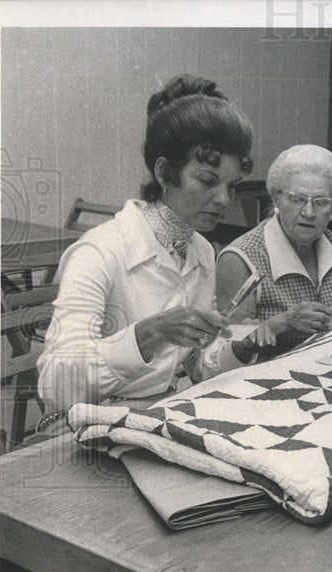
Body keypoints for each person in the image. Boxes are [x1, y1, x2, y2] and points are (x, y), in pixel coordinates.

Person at [38, 74, 263, 412]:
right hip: (93, 424)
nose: (222, 200)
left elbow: (194, 366)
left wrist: (238, 350)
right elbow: (56, 388)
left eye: (232, 187)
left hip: (161, 414)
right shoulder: (99, 252)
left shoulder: (200, 250)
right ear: (163, 173)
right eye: (207, 180)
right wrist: (148, 333)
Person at [215, 145, 332, 353]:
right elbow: (229, 350)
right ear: (276, 198)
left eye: (321, 202)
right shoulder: (240, 257)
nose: (308, 212)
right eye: (297, 199)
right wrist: (284, 323)